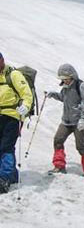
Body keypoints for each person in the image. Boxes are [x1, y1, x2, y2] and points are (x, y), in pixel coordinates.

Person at [46, 64, 84, 176]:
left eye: (65, 78)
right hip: (66, 121)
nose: (64, 81)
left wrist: (83, 119)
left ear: (72, 76)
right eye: (62, 79)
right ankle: (59, 166)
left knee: (80, 146)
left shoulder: (81, 86)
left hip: (79, 122)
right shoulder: (65, 87)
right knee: (58, 140)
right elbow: (63, 98)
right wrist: (54, 94)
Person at [0, 52, 32, 193]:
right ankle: (12, 175)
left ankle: (4, 179)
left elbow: (26, 93)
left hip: (12, 116)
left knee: (6, 147)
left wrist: (25, 106)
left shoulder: (14, 75)